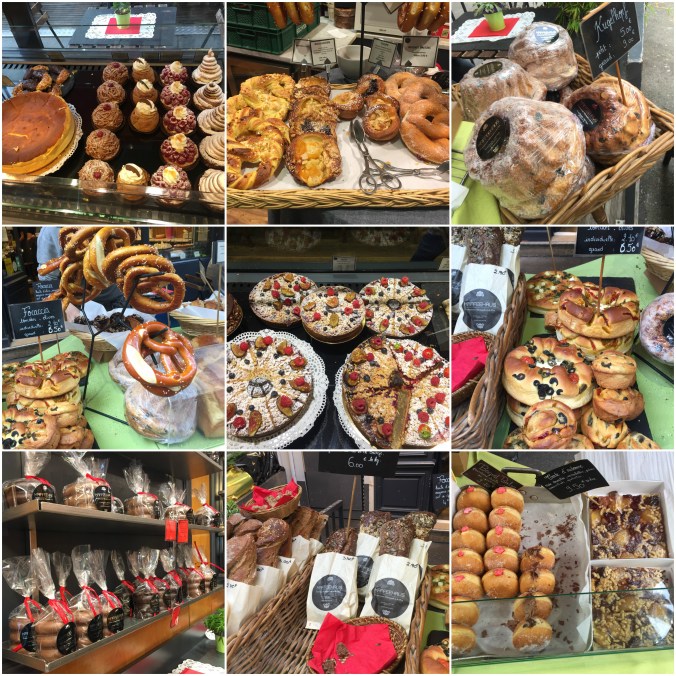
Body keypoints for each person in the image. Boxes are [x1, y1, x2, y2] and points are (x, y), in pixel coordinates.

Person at [36, 227, 125, 314]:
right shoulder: (52, 229)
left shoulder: (116, 228)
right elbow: (47, 277)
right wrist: (63, 306)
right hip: (77, 306)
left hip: (117, 300)